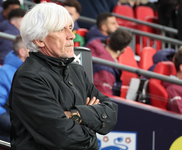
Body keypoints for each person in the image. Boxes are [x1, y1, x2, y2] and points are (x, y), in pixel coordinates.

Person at [8, 3, 118, 149]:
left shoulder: (76, 70)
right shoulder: (29, 78)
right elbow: (67, 139)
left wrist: (76, 114)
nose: (72, 35)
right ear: (39, 39)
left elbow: (111, 112)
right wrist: (91, 123)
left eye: (70, 28)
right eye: (61, 30)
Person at [87, 28, 132, 96]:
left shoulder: (91, 46)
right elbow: (102, 100)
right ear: (123, 50)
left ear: (108, 40)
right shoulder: (106, 71)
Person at [0, 36, 29, 142]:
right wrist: (14, 127)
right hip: (11, 137)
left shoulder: (32, 71)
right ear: (22, 52)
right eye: (31, 47)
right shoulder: (4, 72)